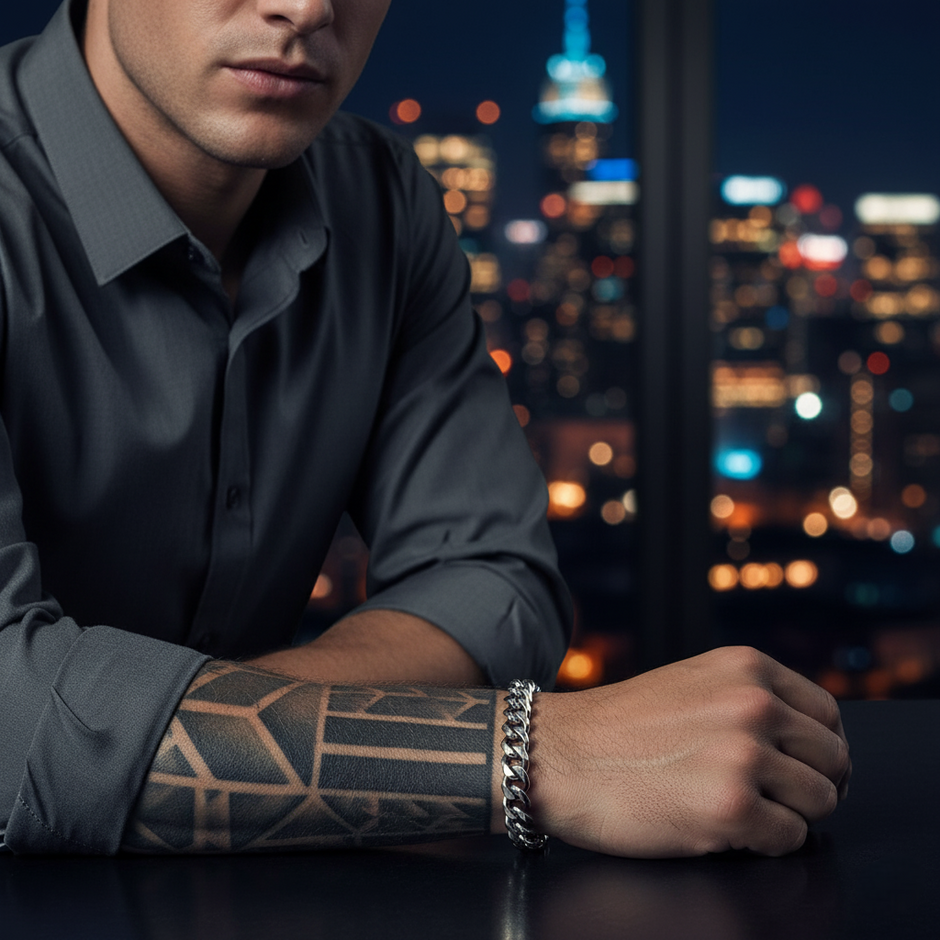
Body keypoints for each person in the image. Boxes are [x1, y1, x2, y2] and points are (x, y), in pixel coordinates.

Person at [0, 0, 850, 857]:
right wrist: (535, 757)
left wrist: (150, 742)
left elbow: (490, 582)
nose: (305, 7)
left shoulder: (381, 197)